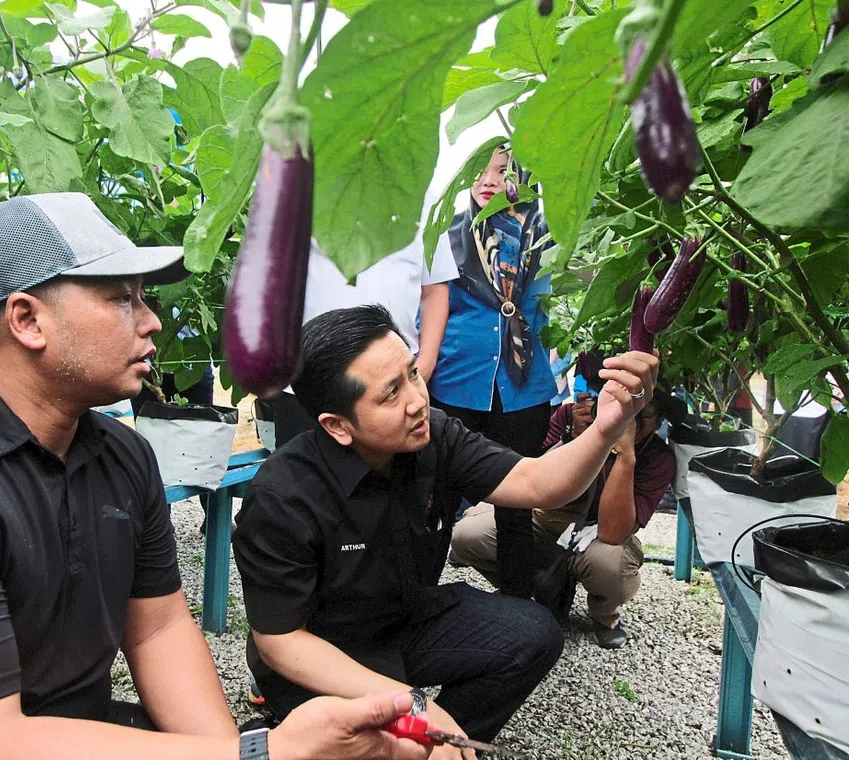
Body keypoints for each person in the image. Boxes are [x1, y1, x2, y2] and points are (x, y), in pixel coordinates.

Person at [0, 193, 431, 760]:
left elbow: (159, 628)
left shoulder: (119, 455)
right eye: (121, 298)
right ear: (27, 320)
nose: (152, 320)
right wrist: (257, 754)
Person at [232, 304, 658, 750]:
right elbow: (281, 642)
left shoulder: (433, 436)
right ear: (338, 426)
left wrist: (608, 428)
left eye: (413, 374)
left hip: (403, 622)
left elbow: (536, 482)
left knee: (531, 634)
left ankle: (443, 747)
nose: (418, 400)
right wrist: (412, 704)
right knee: (358, 740)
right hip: (321, 655)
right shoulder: (284, 496)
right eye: (390, 393)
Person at [428, 145, 557, 598]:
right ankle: (418, 599)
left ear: (521, 179)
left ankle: (518, 607)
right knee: (437, 500)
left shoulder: (545, 237)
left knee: (517, 507)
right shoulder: (449, 234)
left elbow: (552, 309)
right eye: (479, 172)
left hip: (523, 390)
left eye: (501, 172)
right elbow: (431, 306)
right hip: (455, 383)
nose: (488, 181)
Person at [452, 390, 675, 649]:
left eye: (644, 412)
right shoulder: (570, 417)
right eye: (621, 406)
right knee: (467, 535)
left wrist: (625, 455)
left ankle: (605, 615)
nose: (630, 417)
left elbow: (614, 533)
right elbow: (530, 481)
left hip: (595, 536)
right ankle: (525, 586)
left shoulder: (659, 458)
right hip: (543, 519)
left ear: (660, 421)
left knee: (611, 566)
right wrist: (576, 439)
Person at [268, 236, 458, 447]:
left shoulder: (430, 202)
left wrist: (424, 365)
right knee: (305, 472)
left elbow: (433, 289)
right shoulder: (295, 202)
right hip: (306, 382)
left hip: (398, 381)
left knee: (402, 474)